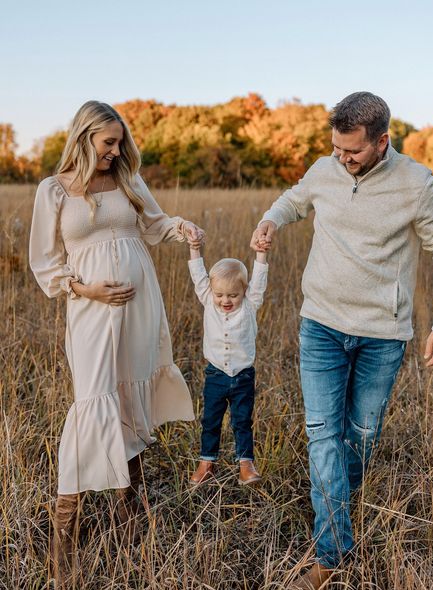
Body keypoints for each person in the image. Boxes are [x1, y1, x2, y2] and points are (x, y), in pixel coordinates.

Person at [251, 92, 433, 589]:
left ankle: (334, 503)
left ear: (382, 142)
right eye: (335, 149)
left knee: (360, 438)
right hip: (321, 325)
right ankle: (331, 554)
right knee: (323, 437)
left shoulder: (415, 183)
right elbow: (294, 199)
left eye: (352, 151)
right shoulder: (326, 169)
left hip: (382, 336)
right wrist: (270, 219)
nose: (341, 159)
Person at [29, 100, 205, 587]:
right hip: (90, 310)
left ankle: (130, 514)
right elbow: (45, 262)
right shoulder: (54, 191)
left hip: (139, 307)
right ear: (84, 138)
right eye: (109, 142)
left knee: (128, 396)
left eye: (120, 142)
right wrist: (86, 289)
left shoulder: (128, 180)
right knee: (92, 402)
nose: (117, 150)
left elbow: (154, 224)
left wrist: (181, 228)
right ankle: (65, 530)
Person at [187, 239, 268, 485]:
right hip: (216, 375)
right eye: (220, 294)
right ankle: (207, 463)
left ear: (244, 291)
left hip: (243, 375)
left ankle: (246, 465)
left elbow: (259, 282)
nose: (225, 300)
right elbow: (199, 276)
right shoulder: (208, 300)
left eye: (233, 294)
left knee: (242, 421)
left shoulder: (250, 305)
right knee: (210, 420)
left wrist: (261, 254)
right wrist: (195, 248)